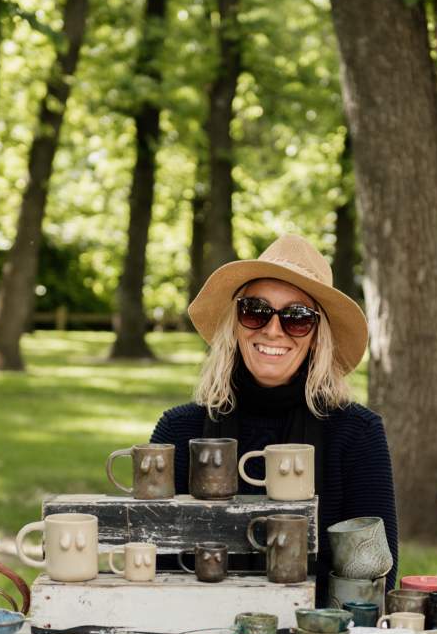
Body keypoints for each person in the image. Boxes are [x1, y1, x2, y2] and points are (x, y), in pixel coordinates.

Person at [151, 233, 397, 604]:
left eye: (297, 318)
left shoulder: (356, 433)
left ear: (317, 336)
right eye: (255, 311)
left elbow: (374, 576)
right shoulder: (178, 429)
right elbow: (155, 567)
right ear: (235, 323)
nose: (272, 330)